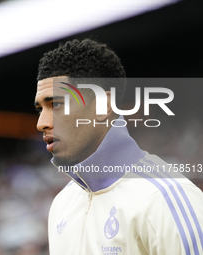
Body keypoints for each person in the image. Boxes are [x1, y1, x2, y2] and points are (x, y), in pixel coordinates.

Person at [34, 38, 203, 254]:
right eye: (40, 109)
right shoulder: (61, 205)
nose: (41, 123)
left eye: (56, 104)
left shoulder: (165, 195)